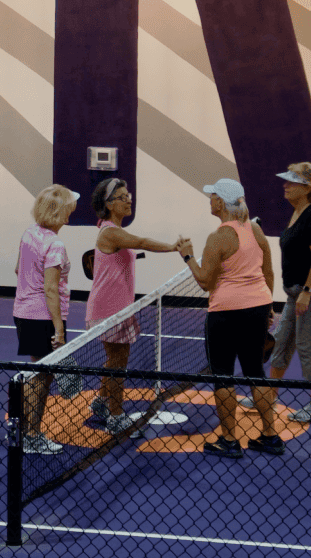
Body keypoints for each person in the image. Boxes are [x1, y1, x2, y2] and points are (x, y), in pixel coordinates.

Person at [178, 178, 285, 458]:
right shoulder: (256, 230)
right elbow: (269, 272)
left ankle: (229, 439)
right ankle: (270, 436)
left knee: (223, 375)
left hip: (225, 314)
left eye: (212, 196)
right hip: (258, 308)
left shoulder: (218, 238)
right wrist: (268, 305)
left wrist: (188, 256)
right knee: (255, 372)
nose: (209, 200)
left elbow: (204, 282)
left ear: (220, 203)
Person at [86, 177, 181, 435]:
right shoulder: (111, 232)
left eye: (129, 194)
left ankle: (101, 402)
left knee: (113, 360)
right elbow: (142, 243)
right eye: (122, 197)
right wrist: (174, 248)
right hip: (110, 311)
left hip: (119, 309)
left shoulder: (111, 229)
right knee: (118, 364)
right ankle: (116, 417)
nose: (129, 199)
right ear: (108, 204)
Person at [266, 162, 311, 422]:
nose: (285, 185)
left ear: (307, 187)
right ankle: (267, 397)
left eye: (291, 182)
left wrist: (307, 292)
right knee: (282, 339)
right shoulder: (297, 212)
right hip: (296, 291)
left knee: (306, 344)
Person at [13, 184, 79, 454]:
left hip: (23, 313)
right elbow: (51, 289)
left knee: (39, 372)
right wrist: (58, 329)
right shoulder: (55, 244)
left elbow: (18, 269)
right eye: (69, 206)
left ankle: (27, 432)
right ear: (60, 211)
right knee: (41, 377)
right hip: (43, 318)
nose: (72, 210)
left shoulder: (29, 234)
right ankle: (31, 435)